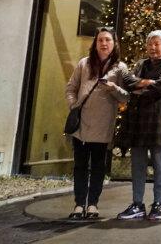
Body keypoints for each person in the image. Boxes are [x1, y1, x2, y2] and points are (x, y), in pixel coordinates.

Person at [64, 27, 129, 220]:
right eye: (100, 40)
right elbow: (71, 88)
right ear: (95, 43)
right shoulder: (84, 64)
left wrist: (113, 87)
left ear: (114, 44)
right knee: (80, 166)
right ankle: (79, 204)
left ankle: (92, 204)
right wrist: (73, 105)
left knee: (98, 167)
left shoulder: (120, 68)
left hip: (103, 125)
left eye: (108, 40)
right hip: (81, 125)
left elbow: (126, 97)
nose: (104, 43)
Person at [117, 30, 161, 222]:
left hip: (158, 121)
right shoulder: (140, 64)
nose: (153, 47)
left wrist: (141, 87)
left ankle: (158, 204)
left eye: (157, 44)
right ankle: (137, 204)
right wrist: (148, 83)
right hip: (138, 120)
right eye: (150, 44)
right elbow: (128, 82)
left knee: (160, 164)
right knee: (138, 164)